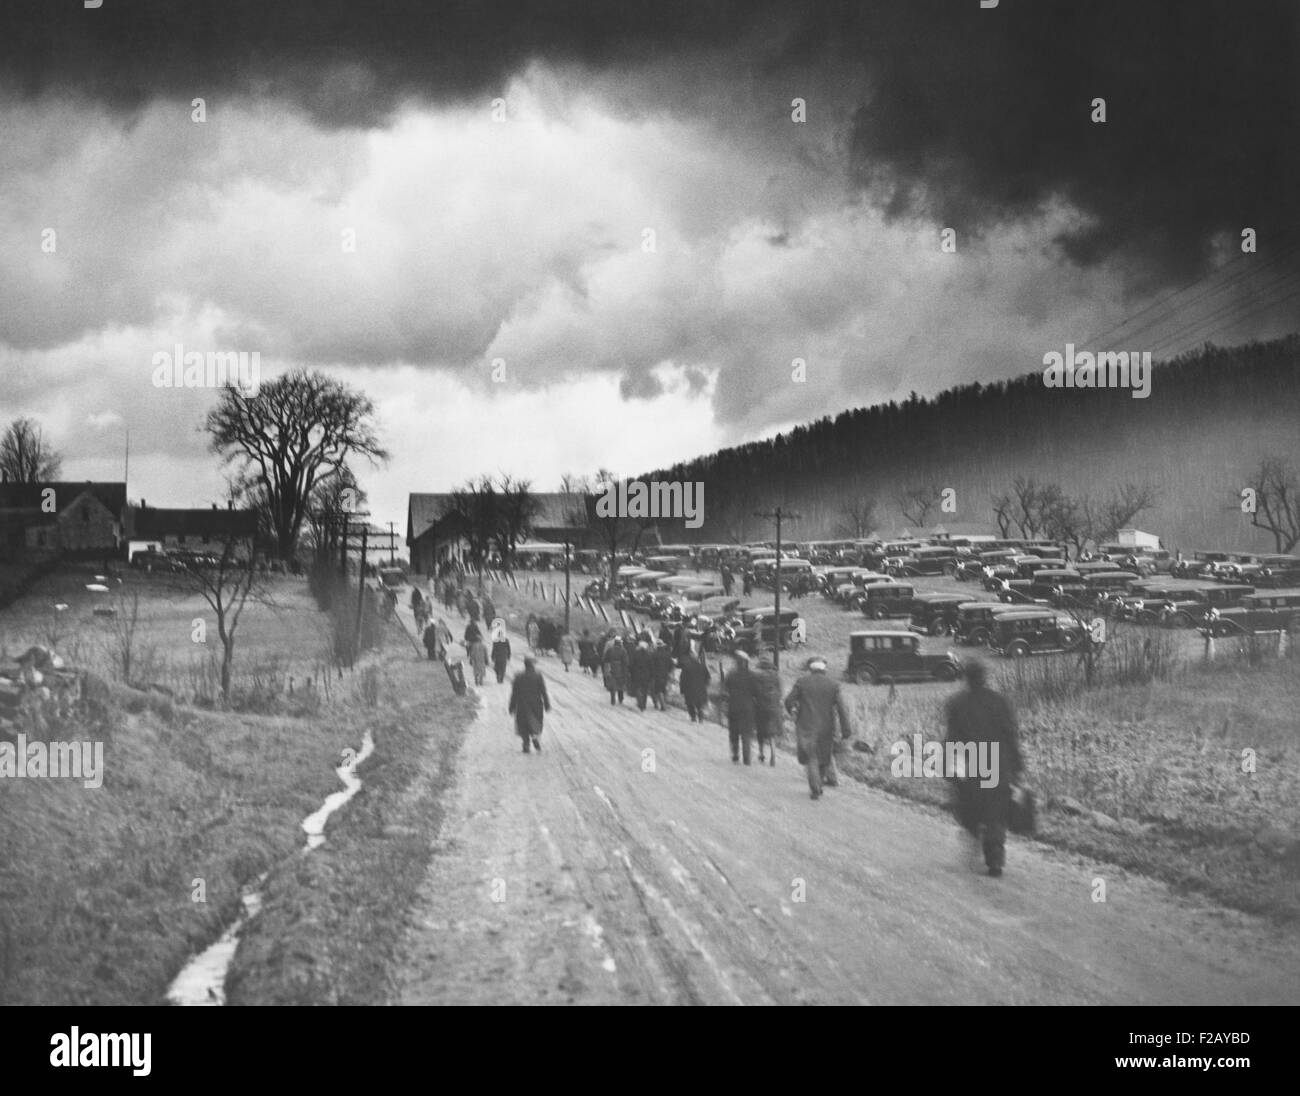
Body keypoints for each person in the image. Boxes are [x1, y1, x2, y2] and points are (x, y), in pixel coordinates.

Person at [944, 659, 1024, 878]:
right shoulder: (999, 702)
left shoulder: (957, 704)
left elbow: (952, 740)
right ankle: (995, 859)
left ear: (966, 679)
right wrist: (1017, 768)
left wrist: (951, 771)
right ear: (984, 678)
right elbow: (1010, 736)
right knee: (995, 814)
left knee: (971, 808)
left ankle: (974, 840)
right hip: (998, 765)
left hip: (971, 767)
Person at [784, 656, 853, 799]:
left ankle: (815, 787)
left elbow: (789, 700)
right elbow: (842, 708)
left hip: (806, 725)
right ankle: (818, 785)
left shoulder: (802, 682)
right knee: (823, 758)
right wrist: (846, 729)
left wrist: (792, 711)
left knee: (811, 757)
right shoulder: (833, 685)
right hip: (826, 727)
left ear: (810, 669)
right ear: (824, 669)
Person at [722, 650, 761, 765]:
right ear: (746, 663)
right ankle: (747, 758)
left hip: (733, 707)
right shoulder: (753, 676)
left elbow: (725, 689)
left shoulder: (731, 675)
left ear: (737, 663)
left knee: (733, 732)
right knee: (746, 733)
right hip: (748, 709)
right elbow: (757, 692)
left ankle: (735, 754)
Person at [508, 657, 551, 754]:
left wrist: (512, 706)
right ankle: (535, 737)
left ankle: (526, 744)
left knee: (523, 724)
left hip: (522, 704)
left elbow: (514, 693)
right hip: (536, 704)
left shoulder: (518, 676)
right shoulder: (538, 676)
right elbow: (543, 691)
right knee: (535, 722)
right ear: (533, 665)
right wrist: (547, 704)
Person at [753, 653, 783, 766]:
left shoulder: (757, 676)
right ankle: (773, 752)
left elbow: (755, 691)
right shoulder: (776, 676)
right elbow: (780, 692)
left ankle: (761, 753)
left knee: (761, 731)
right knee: (772, 732)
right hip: (774, 707)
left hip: (761, 706)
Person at [679, 649, 711, 723]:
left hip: (689, 689)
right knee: (700, 703)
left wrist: (682, 690)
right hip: (701, 689)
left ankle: (693, 717)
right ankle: (700, 716)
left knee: (690, 703)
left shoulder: (686, 667)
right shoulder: (703, 667)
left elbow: (682, 679)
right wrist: (705, 685)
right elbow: (708, 678)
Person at [602, 635, 628, 705]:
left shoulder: (610, 650)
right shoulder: (623, 651)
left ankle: (613, 699)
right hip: (621, 669)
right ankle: (620, 698)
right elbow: (626, 662)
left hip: (612, 668)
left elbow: (605, 659)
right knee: (620, 684)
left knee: (613, 684)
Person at [629, 640, 654, 711]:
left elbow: (632, 665)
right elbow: (651, 666)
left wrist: (631, 673)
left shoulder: (635, 654)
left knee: (638, 688)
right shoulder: (649, 655)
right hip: (646, 674)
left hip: (637, 674)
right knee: (645, 690)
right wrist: (651, 675)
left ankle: (640, 702)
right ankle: (644, 704)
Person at [650, 639, 673, 711]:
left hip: (657, 674)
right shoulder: (667, 654)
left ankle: (663, 705)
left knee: (658, 690)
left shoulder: (654, 654)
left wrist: (652, 673)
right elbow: (671, 664)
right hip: (665, 674)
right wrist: (668, 671)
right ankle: (664, 703)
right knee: (663, 689)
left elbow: (652, 665)